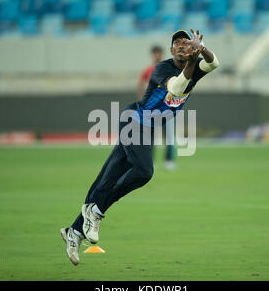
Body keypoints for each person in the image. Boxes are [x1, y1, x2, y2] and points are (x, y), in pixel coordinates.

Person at [61, 29, 220, 266]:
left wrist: (203, 49)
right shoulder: (162, 69)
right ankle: (94, 212)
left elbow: (214, 63)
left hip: (148, 128)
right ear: (170, 50)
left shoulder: (195, 67)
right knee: (144, 171)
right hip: (134, 120)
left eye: (186, 43)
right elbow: (176, 88)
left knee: (108, 177)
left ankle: (74, 232)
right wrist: (194, 58)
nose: (181, 46)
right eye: (176, 43)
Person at [137, 45, 176, 171]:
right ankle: (150, 161)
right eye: (155, 53)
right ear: (153, 55)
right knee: (150, 137)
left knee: (169, 136)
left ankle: (169, 161)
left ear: (162, 54)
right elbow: (140, 85)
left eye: (159, 53)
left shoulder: (169, 69)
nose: (157, 55)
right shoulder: (148, 70)